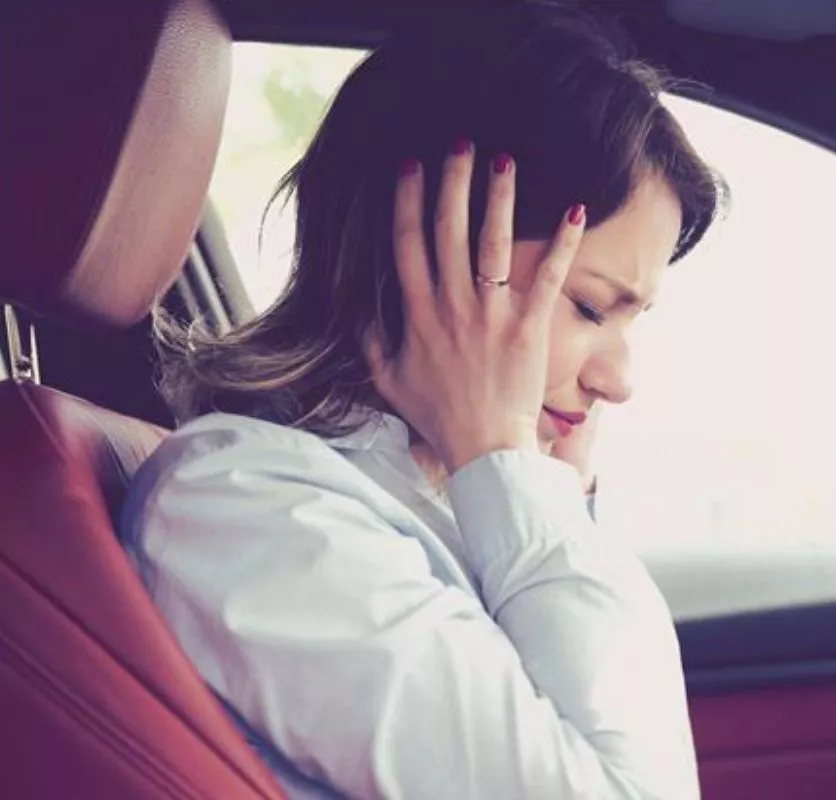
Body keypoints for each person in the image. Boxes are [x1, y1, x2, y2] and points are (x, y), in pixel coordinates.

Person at [120, 4, 722, 799]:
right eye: (587, 307)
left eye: (631, 319)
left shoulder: (440, 502)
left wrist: (537, 497)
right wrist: (512, 474)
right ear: (431, 259)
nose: (619, 380)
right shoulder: (244, 509)